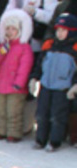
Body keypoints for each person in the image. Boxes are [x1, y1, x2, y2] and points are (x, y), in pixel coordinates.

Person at [31, 12, 77, 151]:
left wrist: (74, 86)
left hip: (63, 89)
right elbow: (40, 64)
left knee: (58, 116)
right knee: (41, 114)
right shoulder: (49, 45)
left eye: (64, 30)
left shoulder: (74, 49)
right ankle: (40, 139)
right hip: (46, 86)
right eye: (58, 30)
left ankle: (55, 141)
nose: (60, 33)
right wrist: (34, 77)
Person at [0, 8, 33, 142]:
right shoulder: (3, 47)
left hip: (15, 86)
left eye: (13, 29)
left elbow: (24, 67)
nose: (10, 32)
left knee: (13, 111)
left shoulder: (24, 48)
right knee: (1, 110)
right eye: (7, 29)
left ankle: (14, 132)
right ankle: (2, 130)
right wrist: (3, 50)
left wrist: (20, 83)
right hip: (1, 84)